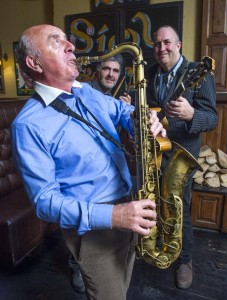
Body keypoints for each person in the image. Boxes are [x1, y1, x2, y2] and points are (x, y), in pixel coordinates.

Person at [11, 24, 166, 300]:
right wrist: (115, 216)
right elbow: (45, 203)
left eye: (67, 40)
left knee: (123, 288)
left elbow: (121, 110)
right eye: (56, 41)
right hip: (97, 229)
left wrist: (141, 118)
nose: (71, 45)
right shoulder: (28, 125)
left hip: (130, 205)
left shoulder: (85, 91)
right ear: (34, 63)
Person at [146, 25, 218, 290]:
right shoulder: (150, 73)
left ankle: (185, 261)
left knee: (179, 208)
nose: (161, 48)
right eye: (156, 44)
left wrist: (190, 115)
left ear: (178, 45)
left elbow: (212, 118)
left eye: (167, 42)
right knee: (153, 202)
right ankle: (157, 246)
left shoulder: (198, 72)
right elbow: (148, 108)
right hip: (154, 151)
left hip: (181, 155)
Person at [68, 53, 132, 293]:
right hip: (86, 174)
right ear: (97, 70)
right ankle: (77, 264)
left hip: (109, 167)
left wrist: (128, 112)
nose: (110, 75)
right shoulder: (84, 91)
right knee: (83, 230)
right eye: (106, 69)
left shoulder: (114, 96)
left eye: (115, 71)